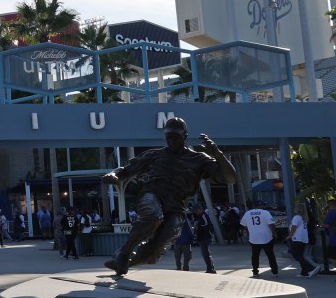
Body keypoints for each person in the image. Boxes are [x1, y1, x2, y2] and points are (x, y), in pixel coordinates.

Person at [101, 118, 239, 276]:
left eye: (176, 137)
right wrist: (113, 174)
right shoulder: (155, 154)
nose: (171, 140)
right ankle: (124, 253)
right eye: (168, 137)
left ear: (185, 136)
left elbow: (231, 179)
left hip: (177, 206)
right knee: (153, 216)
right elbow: (125, 170)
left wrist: (217, 153)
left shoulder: (199, 159)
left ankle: (124, 263)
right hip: (153, 194)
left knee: (158, 247)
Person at [241, 201, 280, 276]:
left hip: (253, 237)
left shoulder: (247, 213)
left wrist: (251, 229)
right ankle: (274, 271)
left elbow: (244, 224)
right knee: (270, 255)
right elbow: (271, 224)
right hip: (266, 237)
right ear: (261, 206)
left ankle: (255, 271)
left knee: (255, 255)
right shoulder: (265, 212)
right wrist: (274, 233)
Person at [288, 201, 321, 278]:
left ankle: (311, 267)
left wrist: (290, 235)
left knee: (297, 255)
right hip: (303, 239)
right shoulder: (304, 218)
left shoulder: (296, 217)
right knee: (301, 255)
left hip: (297, 239)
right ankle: (304, 272)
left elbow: (294, 227)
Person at [190, 203, 216, 274]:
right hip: (201, 237)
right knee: (205, 254)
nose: (195, 212)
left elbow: (207, 226)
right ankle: (210, 268)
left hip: (205, 237)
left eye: (196, 210)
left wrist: (198, 227)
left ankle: (210, 269)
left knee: (206, 254)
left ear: (200, 210)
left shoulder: (204, 215)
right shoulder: (198, 216)